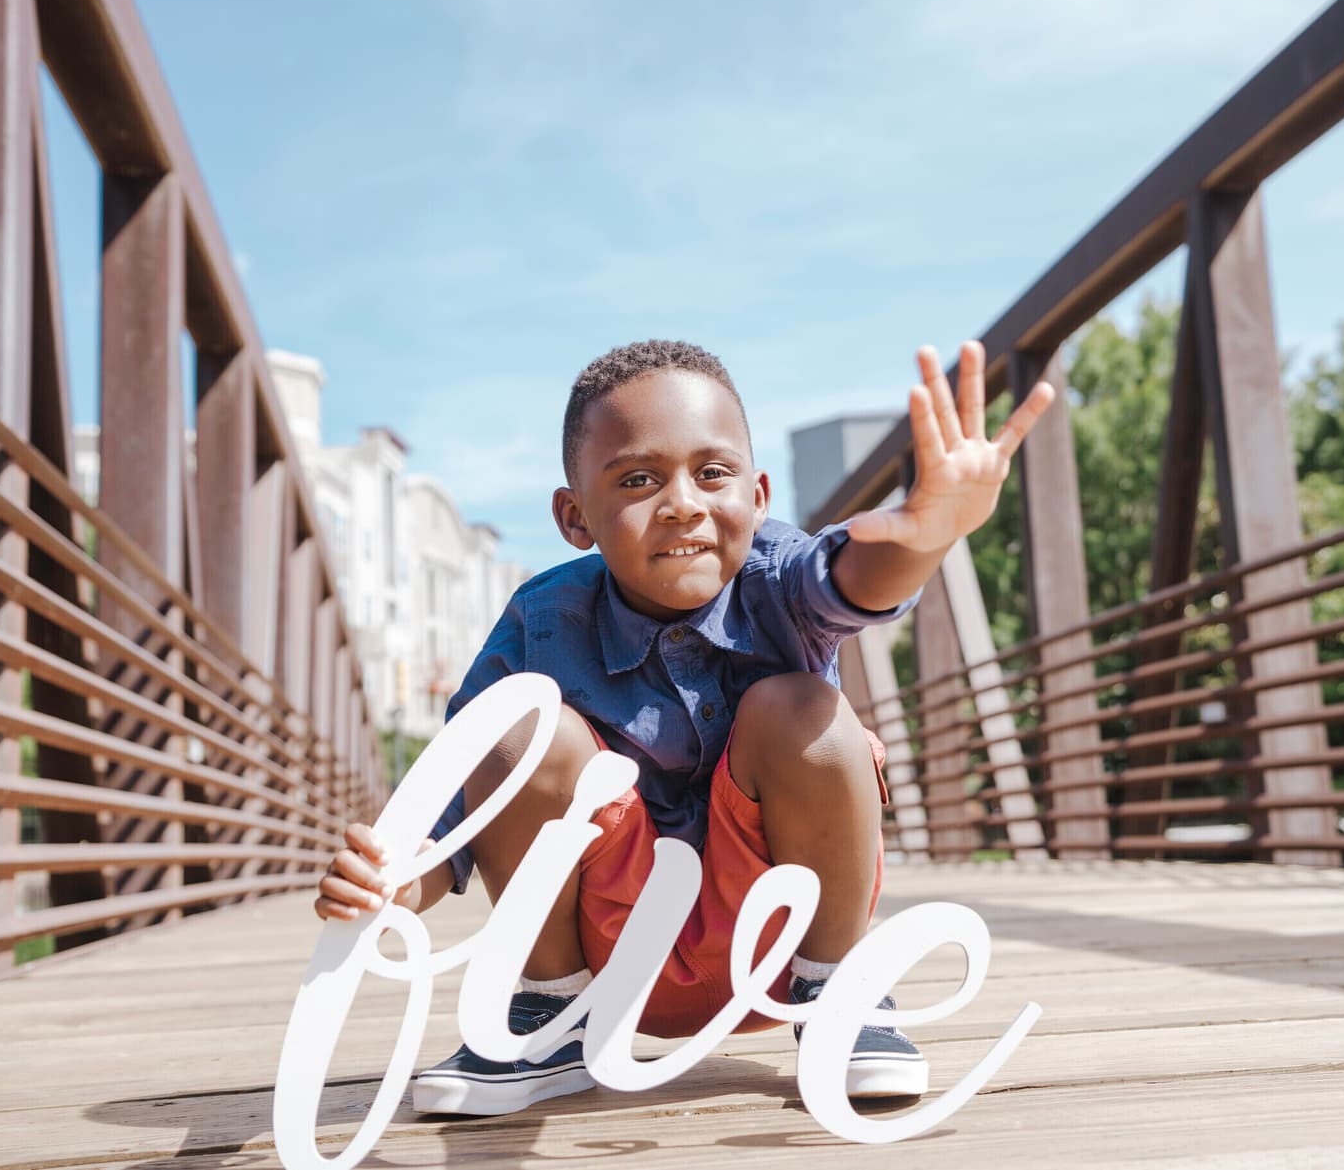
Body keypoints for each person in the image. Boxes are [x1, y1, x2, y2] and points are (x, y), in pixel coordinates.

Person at [314, 337, 1053, 1116]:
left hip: (779, 937)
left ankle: (841, 992)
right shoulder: (541, 620)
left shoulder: (778, 575)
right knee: (519, 730)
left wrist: (925, 536)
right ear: (574, 517)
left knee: (806, 710)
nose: (682, 502)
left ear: (759, 493)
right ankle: (545, 1016)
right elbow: (458, 807)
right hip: (609, 956)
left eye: (712, 472)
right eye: (638, 479)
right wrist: (394, 879)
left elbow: (850, 582)